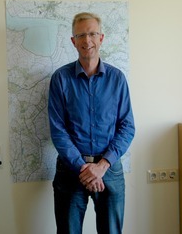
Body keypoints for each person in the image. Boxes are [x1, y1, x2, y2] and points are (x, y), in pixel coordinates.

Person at [48, 12, 135, 234]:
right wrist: (85, 168)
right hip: (70, 171)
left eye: (92, 34)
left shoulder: (117, 79)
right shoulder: (60, 79)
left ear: (101, 38)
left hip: (110, 170)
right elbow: (58, 130)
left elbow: (127, 127)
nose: (87, 41)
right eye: (81, 35)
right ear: (73, 41)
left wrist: (101, 166)